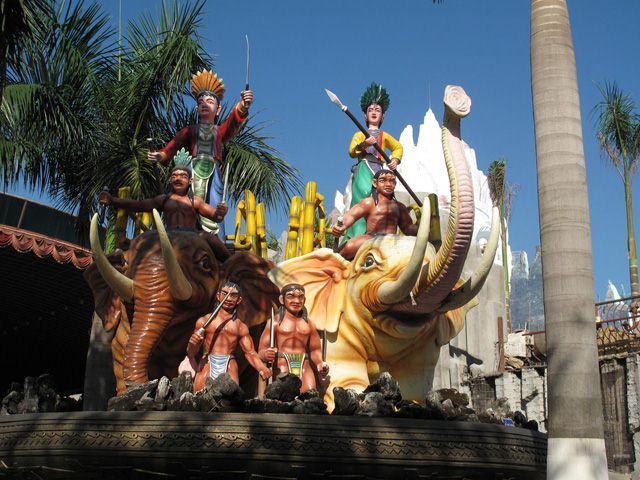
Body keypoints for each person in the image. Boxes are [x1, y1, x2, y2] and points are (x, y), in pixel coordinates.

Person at [147, 69, 252, 235]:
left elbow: (232, 124)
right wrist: (160, 155)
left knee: (214, 204)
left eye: (210, 101)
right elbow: (172, 147)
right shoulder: (189, 130)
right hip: (193, 171)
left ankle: (215, 239)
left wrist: (242, 106)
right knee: (187, 202)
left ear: (218, 110)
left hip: (212, 173)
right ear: (196, 109)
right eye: (201, 102)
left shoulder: (219, 131)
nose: (205, 104)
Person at [99, 165, 230, 261]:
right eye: (174, 176)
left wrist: (220, 212)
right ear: (170, 180)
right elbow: (138, 205)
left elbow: (215, 216)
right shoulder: (163, 199)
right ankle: (124, 258)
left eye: (183, 176)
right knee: (141, 238)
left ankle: (231, 263)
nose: (178, 178)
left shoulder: (195, 201)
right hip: (168, 234)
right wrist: (112, 200)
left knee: (211, 238)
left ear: (190, 181)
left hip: (192, 234)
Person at [344, 82, 403, 243]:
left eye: (377, 110)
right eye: (370, 110)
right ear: (365, 116)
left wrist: (395, 160)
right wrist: (364, 144)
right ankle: (357, 234)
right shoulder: (359, 134)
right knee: (364, 196)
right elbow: (351, 151)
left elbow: (397, 147)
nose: (374, 112)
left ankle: (379, 229)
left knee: (385, 200)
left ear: (383, 116)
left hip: (379, 169)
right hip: (364, 167)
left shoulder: (385, 135)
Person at [186, 281, 272, 392]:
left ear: (239, 300)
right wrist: (193, 343)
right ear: (218, 295)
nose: (229, 298)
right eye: (225, 293)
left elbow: (249, 352)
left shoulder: (240, 326)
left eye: (233, 295)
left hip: (229, 362)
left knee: (231, 394)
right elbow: (191, 353)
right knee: (199, 392)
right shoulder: (204, 321)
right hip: (208, 360)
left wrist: (261, 367)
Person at [258, 284, 329, 394]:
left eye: (300, 297)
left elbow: (315, 350)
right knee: (284, 398)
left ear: (304, 300)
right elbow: (261, 351)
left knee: (310, 396)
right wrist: (266, 354)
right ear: (282, 299)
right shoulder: (275, 323)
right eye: (291, 296)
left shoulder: (309, 324)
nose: (296, 300)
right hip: (282, 364)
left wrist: (320, 363)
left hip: (304, 365)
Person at [333, 170, 417, 260]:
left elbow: (408, 228)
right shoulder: (369, 202)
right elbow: (351, 215)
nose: (388, 184)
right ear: (375, 183)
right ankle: (337, 263)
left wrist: (422, 227)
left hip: (392, 239)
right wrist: (342, 226)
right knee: (350, 246)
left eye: (392, 181)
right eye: (383, 180)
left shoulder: (399, 207)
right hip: (372, 238)